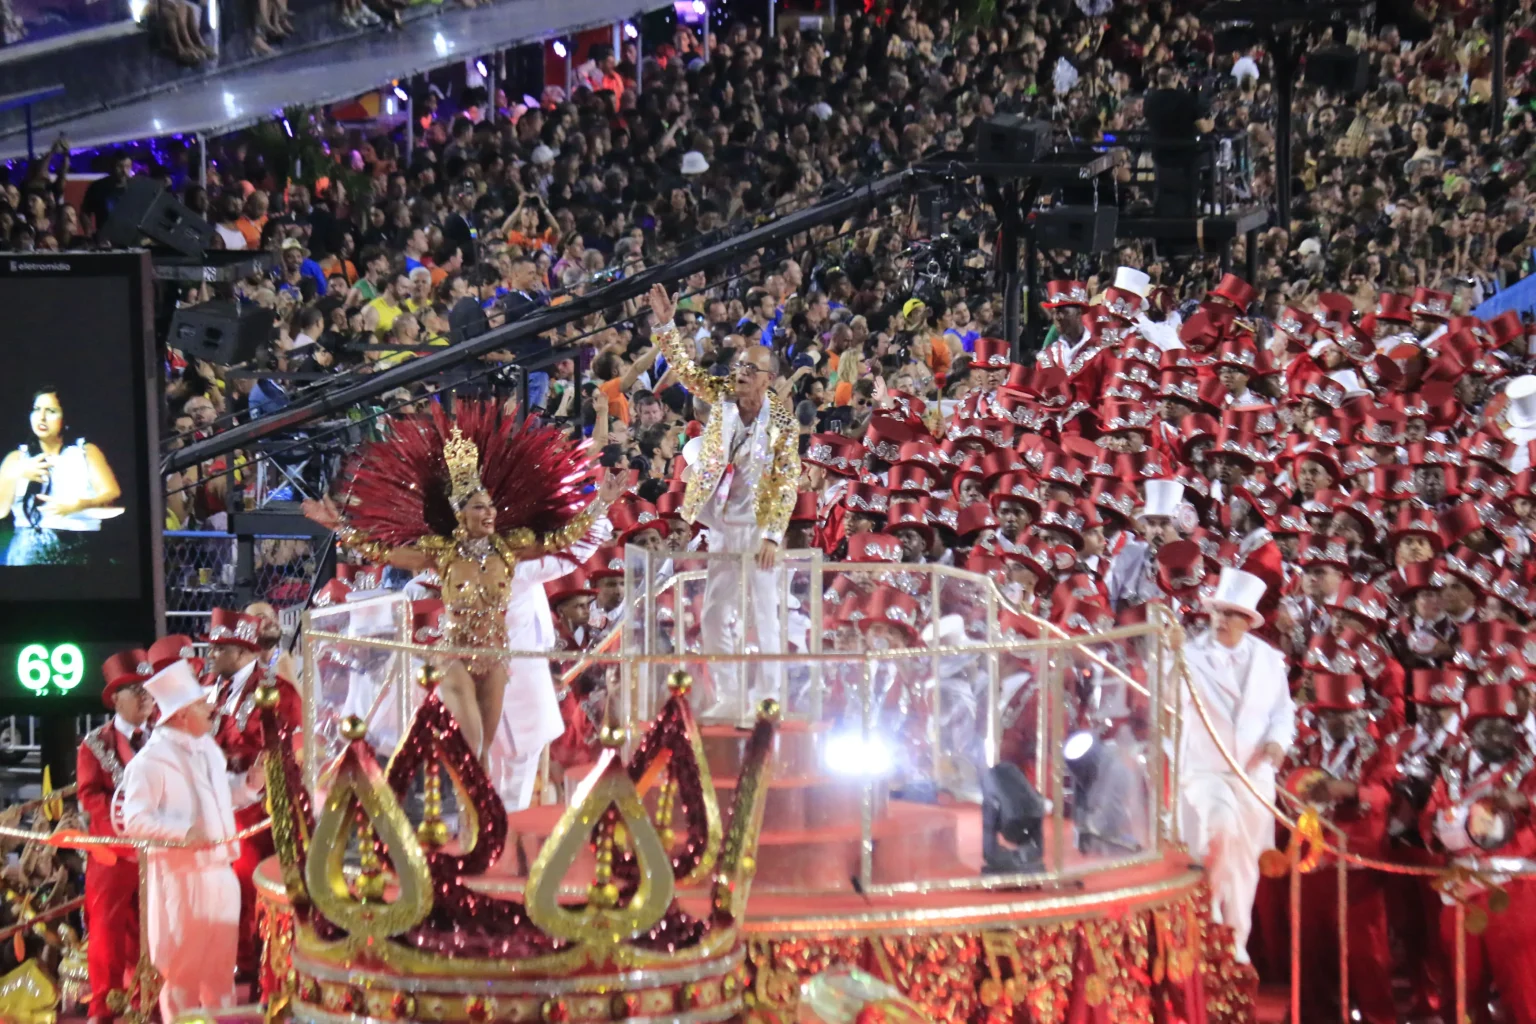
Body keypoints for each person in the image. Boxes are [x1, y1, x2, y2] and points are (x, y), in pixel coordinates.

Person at [303, 399, 620, 763]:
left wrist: (601, 504)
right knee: (469, 744)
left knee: (483, 750)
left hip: (496, 656)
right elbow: (383, 553)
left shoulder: (509, 549)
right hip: (454, 655)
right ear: (460, 514)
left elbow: (561, 539)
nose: (489, 514)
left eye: (490, 506)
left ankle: (480, 818)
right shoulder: (441, 554)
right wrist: (341, 527)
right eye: (479, 508)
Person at [647, 284, 800, 719]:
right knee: (715, 616)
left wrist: (772, 536)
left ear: (768, 380)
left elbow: (788, 479)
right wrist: (665, 325)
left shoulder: (783, 425)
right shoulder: (725, 398)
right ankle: (730, 696)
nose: (740, 372)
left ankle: (768, 700)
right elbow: (687, 371)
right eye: (739, 365)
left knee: (766, 617)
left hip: (758, 527)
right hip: (722, 525)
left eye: (750, 368)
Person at [117, 658, 265, 1024]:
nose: (211, 708)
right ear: (182, 714)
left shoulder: (208, 749)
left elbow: (222, 796)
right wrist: (182, 833)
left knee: (220, 972)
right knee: (182, 974)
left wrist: (250, 783)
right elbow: (134, 819)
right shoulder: (150, 761)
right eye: (201, 704)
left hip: (220, 873)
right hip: (181, 880)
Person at [1178, 566, 1295, 964]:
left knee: (1246, 862)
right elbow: (1166, 704)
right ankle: (1207, 919)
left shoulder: (1269, 660)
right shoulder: (1186, 656)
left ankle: (1237, 941)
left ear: (1248, 620)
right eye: (1217, 612)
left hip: (1254, 775)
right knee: (1220, 830)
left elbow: (1283, 713)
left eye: (1231, 613)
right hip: (1205, 768)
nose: (1221, 620)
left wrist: (1278, 743)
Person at [201, 606, 302, 979]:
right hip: (214, 807)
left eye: (218, 649)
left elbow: (289, 752)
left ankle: (256, 965)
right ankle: (230, 957)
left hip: (258, 813)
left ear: (242, 651)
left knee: (249, 887)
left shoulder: (276, 691)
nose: (210, 656)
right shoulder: (210, 689)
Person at [77, 649, 153, 1024]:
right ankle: (102, 1006)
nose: (144, 696)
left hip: (156, 854)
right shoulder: (95, 744)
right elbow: (90, 797)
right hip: (111, 855)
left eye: (146, 688)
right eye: (134, 689)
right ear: (114, 699)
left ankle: (146, 999)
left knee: (151, 931)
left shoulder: (162, 736)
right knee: (106, 933)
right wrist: (127, 832)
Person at [0, 386, 122, 565]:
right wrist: (17, 474)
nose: (41, 417)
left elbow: (111, 493)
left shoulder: (84, 452)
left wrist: (81, 505)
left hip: (82, 550)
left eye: (50, 411)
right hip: (28, 553)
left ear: (65, 418)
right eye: (36, 409)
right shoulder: (17, 458)